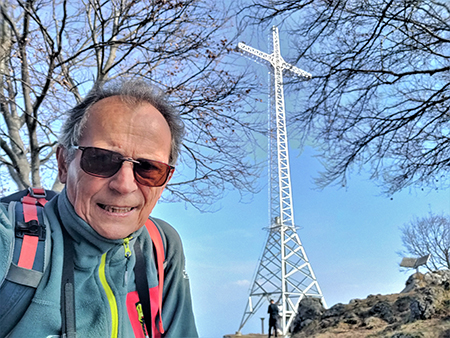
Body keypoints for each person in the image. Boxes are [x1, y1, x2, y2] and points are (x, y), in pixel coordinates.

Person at [0, 80, 198, 337]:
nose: (124, 185)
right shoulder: (10, 241)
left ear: (165, 181)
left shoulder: (161, 247)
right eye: (101, 159)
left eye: (148, 168)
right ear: (63, 164)